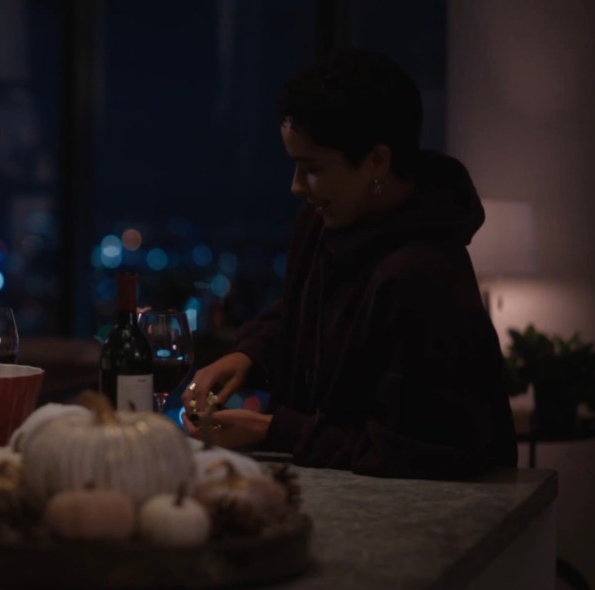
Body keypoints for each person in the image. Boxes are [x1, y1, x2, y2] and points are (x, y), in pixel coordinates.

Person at [181, 49, 516, 480]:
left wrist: (272, 430)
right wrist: (249, 356)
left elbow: (421, 450)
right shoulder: (323, 227)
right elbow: (308, 317)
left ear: (377, 160)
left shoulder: (423, 274)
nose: (296, 187)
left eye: (312, 168)